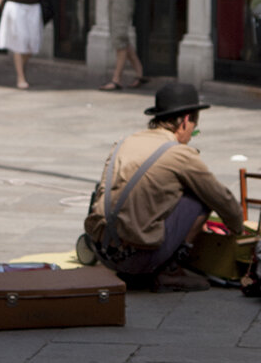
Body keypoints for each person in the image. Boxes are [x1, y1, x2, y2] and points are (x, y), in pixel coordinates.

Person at [83, 82, 243, 292]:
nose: (192, 133)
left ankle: (146, 266)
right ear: (186, 120)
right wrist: (238, 227)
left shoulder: (126, 142)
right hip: (136, 259)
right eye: (195, 127)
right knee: (200, 196)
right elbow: (221, 198)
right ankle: (169, 271)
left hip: (102, 250)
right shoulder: (178, 153)